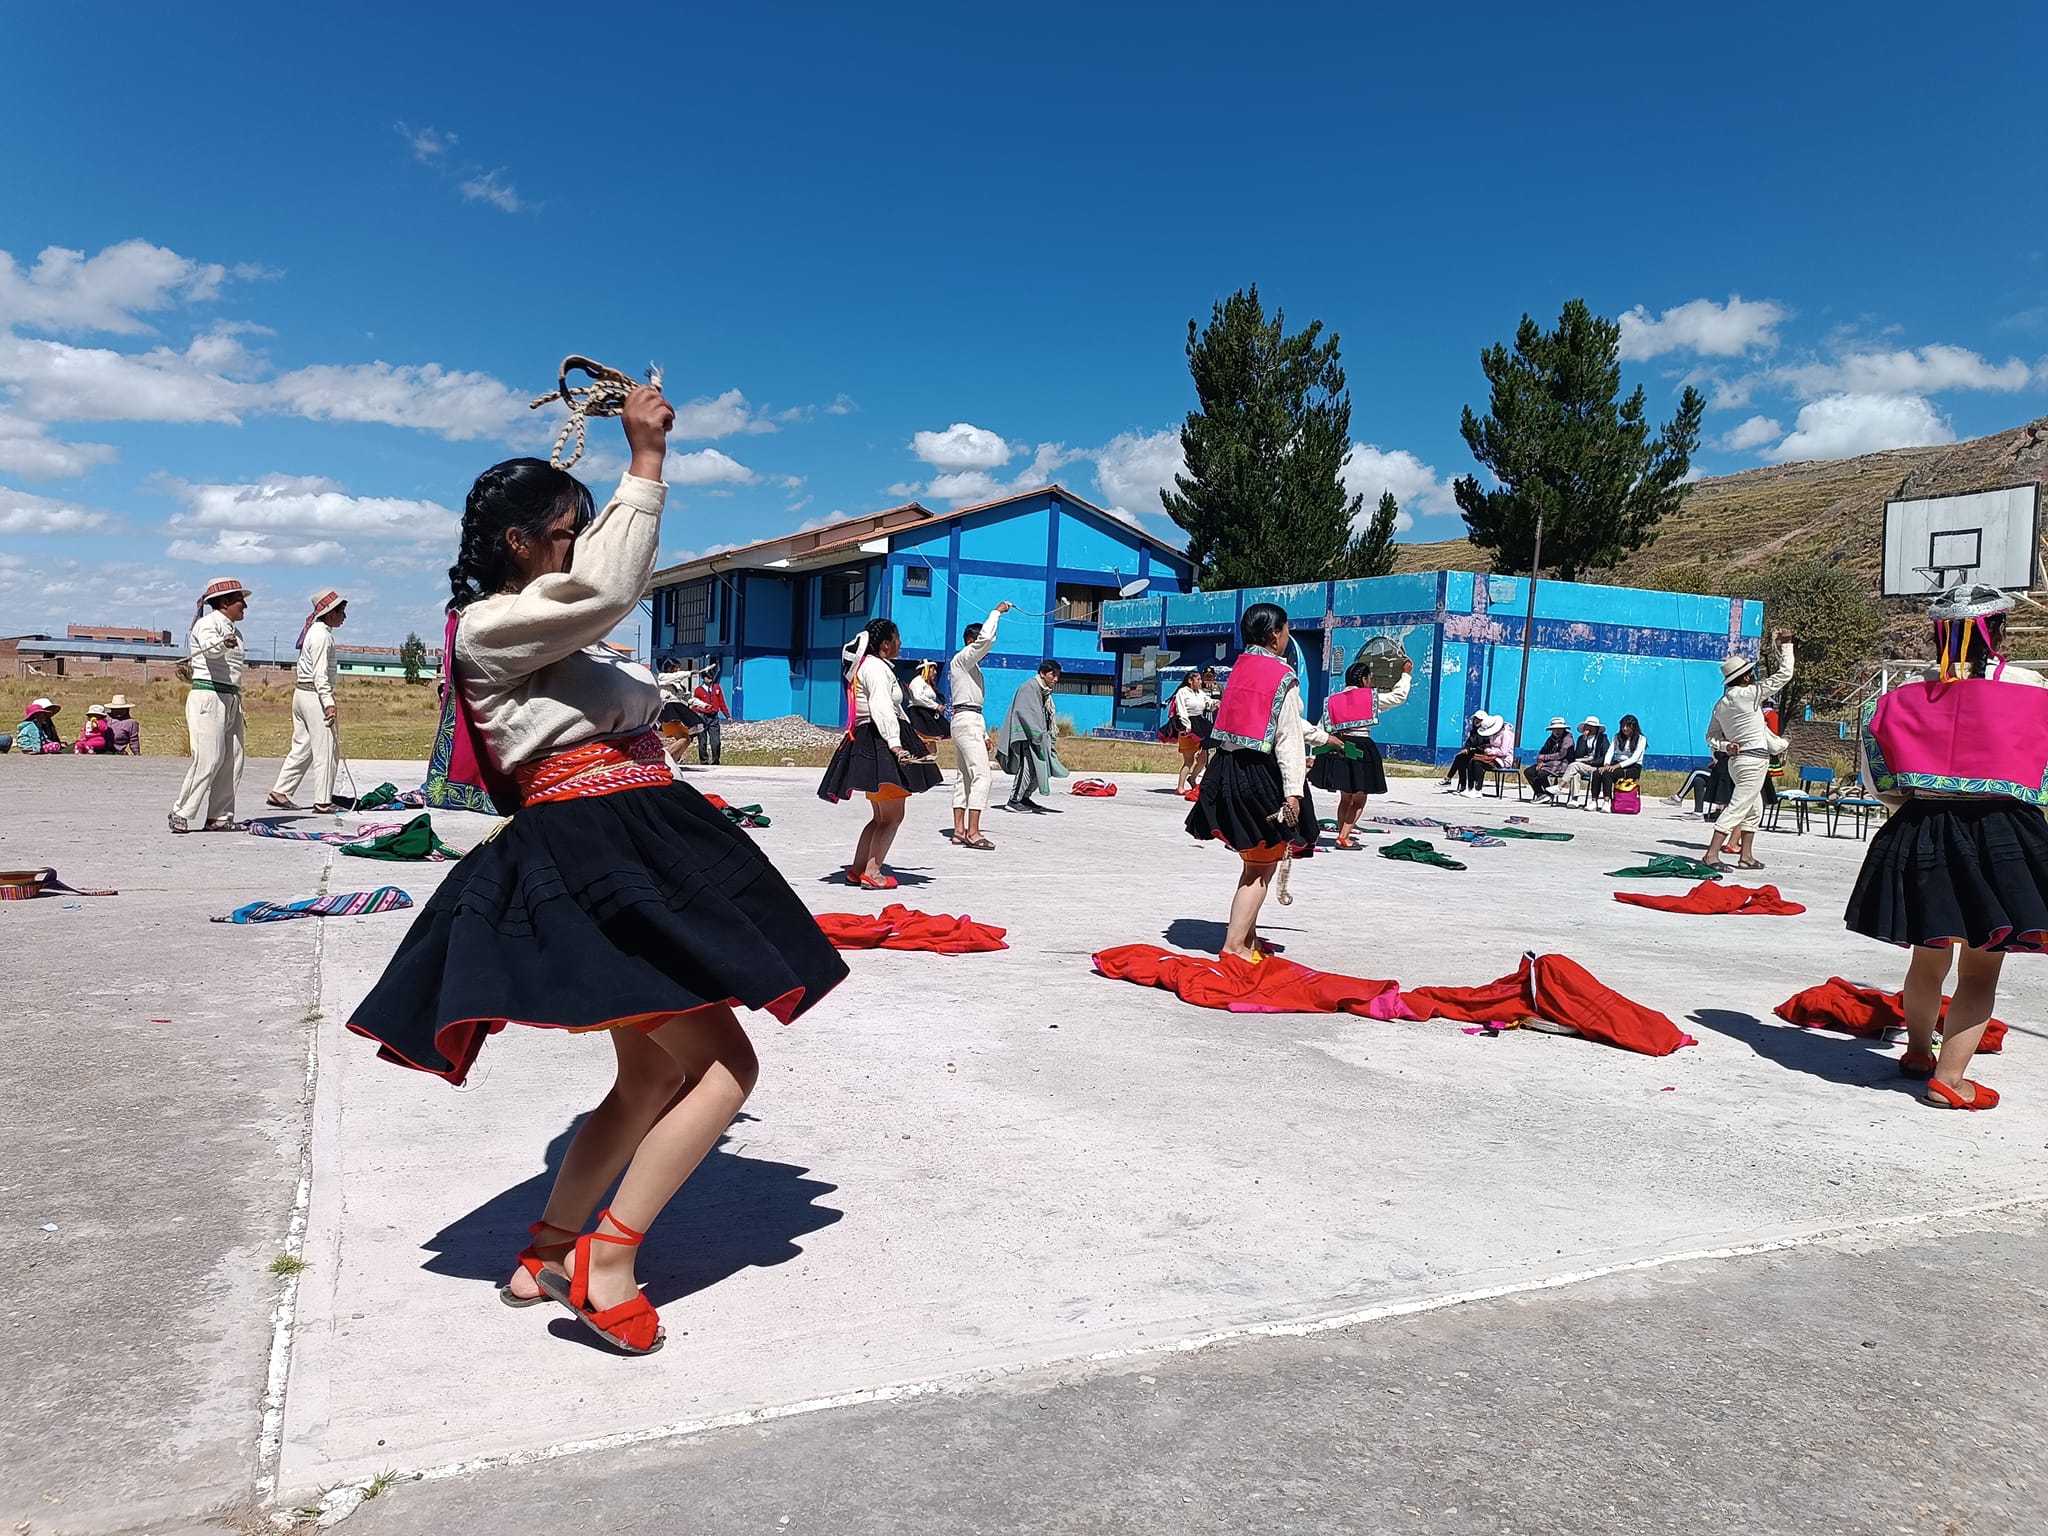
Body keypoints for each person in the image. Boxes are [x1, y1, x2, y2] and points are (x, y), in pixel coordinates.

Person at [347, 386, 846, 1357]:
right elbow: (609, 593)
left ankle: (544, 1252)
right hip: (597, 853)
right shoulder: (495, 625)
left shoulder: (533, 623)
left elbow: (609, 635)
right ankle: (606, 1262)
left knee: (644, 1082)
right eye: (566, 533)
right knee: (723, 1069)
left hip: (627, 840)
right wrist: (646, 461)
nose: (579, 547)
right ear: (520, 544)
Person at [1845, 584, 2048, 1112]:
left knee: (1928, 955)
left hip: (1924, 827)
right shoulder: (2034, 690)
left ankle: (1916, 1052)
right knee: (1980, 969)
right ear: (1998, 629)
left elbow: (1880, 779)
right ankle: (1950, 1078)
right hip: (2001, 833)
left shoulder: (1901, 696)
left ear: (1940, 634)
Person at [1185, 603, 1324, 961]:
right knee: (1260, 868)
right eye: (1287, 630)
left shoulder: (1240, 669)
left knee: (1254, 862)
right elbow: (1289, 739)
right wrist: (1293, 793)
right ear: (1275, 634)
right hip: (1260, 776)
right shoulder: (1282, 676)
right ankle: (1234, 948)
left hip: (1228, 771)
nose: (1288, 636)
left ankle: (1249, 937)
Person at [819, 617, 942, 887]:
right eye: (897, 638)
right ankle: (872, 873)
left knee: (881, 816)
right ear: (885, 644)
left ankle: (857, 868)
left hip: (872, 740)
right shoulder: (876, 667)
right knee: (893, 816)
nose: (900, 643)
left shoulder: (868, 665)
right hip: (880, 742)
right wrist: (896, 745)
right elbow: (882, 707)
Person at [1703, 630, 1796, 871]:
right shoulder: (1750, 694)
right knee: (1738, 807)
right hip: (1753, 761)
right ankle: (1711, 855)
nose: (1753, 677)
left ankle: (1746, 856)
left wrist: (1726, 746)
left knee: (1755, 809)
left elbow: (1711, 736)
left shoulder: (1721, 705)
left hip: (1738, 761)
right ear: (1744, 678)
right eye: (1750, 673)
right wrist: (1786, 645)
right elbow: (1784, 674)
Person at [169, 577, 251, 834]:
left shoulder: (236, 631)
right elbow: (208, 650)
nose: (244, 607)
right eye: (240, 601)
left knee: (233, 759)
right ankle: (181, 811)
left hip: (230, 698)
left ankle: (220, 816)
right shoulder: (208, 624)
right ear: (225, 602)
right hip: (208, 696)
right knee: (209, 757)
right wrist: (221, 644)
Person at [1309, 653, 1411, 847]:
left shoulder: (1332, 700)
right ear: (1364, 679)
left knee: (1345, 796)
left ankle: (1342, 832)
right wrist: (1405, 675)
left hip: (1338, 747)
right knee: (1359, 797)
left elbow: (1320, 727)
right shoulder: (1370, 698)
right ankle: (1344, 837)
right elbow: (1398, 696)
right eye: (1369, 679)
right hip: (1361, 748)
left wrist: (1314, 752)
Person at [268, 589, 347, 812]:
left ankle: (280, 791)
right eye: (341, 611)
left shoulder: (315, 632)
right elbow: (320, 674)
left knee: (303, 746)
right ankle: (323, 801)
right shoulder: (322, 636)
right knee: (327, 749)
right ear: (330, 613)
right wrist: (328, 702)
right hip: (314, 696)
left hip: (302, 694)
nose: (344, 616)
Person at [946, 603, 1015, 850]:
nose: (985, 651)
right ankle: (973, 832)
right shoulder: (963, 659)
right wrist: (996, 612)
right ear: (970, 641)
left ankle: (958, 831)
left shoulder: (971, 668)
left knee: (964, 776)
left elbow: (973, 704)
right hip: (966, 721)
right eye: (978, 646)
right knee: (982, 777)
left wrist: (983, 733)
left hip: (969, 719)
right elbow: (985, 639)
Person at [1000, 660, 1063, 813]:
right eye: (1053, 675)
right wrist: (1035, 734)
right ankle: (1014, 800)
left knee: (1039, 768)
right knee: (1027, 767)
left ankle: (1025, 797)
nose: (1055, 679)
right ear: (1042, 673)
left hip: (1038, 737)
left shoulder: (1043, 691)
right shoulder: (1030, 687)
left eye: (1057, 676)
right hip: (1027, 736)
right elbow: (1024, 712)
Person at [654, 656, 704, 767]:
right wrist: (689, 673)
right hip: (667, 709)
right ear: (669, 668)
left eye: (678, 668)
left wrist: (703, 705)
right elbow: (674, 676)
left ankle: (668, 762)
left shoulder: (679, 684)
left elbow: (687, 698)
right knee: (684, 739)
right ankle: (663, 761)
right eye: (675, 667)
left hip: (677, 708)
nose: (677, 670)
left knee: (686, 739)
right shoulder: (662, 677)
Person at [1168, 670, 1212, 795]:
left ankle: (1192, 779)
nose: (1200, 682)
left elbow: (1207, 702)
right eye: (1198, 679)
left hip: (1201, 724)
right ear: (1190, 681)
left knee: (1203, 759)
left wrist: (1215, 703)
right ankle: (1180, 787)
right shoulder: (1182, 692)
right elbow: (1181, 710)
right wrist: (1187, 725)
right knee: (1189, 760)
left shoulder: (1200, 693)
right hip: (1188, 725)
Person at [1455, 713, 1515, 798]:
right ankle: (1470, 788)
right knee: (1471, 761)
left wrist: (1490, 751)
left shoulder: (1506, 734)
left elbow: (1503, 752)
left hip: (1503, 760)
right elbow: (1492, 745)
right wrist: (1486, 747)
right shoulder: (1494, 734)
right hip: (1491, 757)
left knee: (1478, 763)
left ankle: (1478, 790)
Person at [1594, 714, 1647, 800]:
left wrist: (1615, 766)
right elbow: (1610, 751)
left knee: (1608, 773)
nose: (1625, 729)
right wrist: (1606, 764)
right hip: (1617, 763)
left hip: (1632, 767)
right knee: (1597, 773)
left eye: (1627, 726)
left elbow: (1634, 759)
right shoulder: (1617, 737)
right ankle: (1594, 800)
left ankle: (1606, 801)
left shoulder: (1641, 739)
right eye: (1623, 726)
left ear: (1634, 727)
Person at [1523, 717, 1573, 801]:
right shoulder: (1550, 740)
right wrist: (1540, 762)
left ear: (1564, 729)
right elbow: (1542, 752)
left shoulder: (1568, 739)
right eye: (1555, 729)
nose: (1557, 731)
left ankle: (1550, 794)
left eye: (1559, 729)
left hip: (1562, 764)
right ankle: (1541, 794)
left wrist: (1545, 758)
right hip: (1548, 764)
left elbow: (1562, 755)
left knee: (1542, 774)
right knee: (1529, 772)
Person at [691, 661, 728, 765]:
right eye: (708, 678)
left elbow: (721, 702)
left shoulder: (717, 688)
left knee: (716, 741)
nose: (710, 680)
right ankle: (704, 761)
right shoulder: (698, 690)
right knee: (702, 741)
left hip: (714, 717)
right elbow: (695, 704)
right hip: (702, 717)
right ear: (703, 678)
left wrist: (727, 715)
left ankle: (716, 760)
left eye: (711, 678)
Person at [904, 658, 948, 747]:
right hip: (919, 714)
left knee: (945, 730)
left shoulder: (927, 684)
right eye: (933, 669)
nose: (935, 672)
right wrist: (936, 706)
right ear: (926, 669)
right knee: (926, 736)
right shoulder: (917, 681)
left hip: (929, 712)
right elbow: (918, 697)